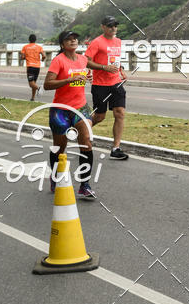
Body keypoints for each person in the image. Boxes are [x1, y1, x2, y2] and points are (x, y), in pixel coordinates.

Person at [43, 30, 96, 199]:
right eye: (69, 39)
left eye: (75, 38)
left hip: (80, 107)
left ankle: (85, 185)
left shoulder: (82, 59)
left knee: (86, 143)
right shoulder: (58, 61)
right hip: (60, 110)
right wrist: (67, 80)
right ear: (62, 44)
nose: (73, 41)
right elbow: (47, 84)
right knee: (60, 147)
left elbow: (87, 71)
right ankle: (55, 176)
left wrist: (89, 76)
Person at [85, 16, 129, 160]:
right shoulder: (97, 42)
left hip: (116, 83)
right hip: (100, 85)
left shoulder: (118, 41)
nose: (113, 28)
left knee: (120, 113)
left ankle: (116, 148)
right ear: (103, 27)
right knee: (99, 116)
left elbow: (115, 59)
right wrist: (104, 67)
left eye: (115, 25)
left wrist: (121, 69)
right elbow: (87, 61)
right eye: (110, 25)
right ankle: (80, 130)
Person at [20, 34, 45, 101]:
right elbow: (44, 55)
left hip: (30, 66)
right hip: (37, 67)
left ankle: (39, 88)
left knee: (31, 83)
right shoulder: (39, 47)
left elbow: (22, 57)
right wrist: (42, 59)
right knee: (34, 82)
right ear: (35, 40)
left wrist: (25, 57)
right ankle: (32, 98)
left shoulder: (25, 47)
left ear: (29, 39)